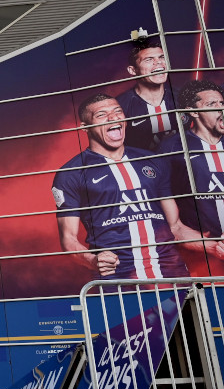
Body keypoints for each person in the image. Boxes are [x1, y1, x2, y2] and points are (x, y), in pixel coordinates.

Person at [52, 93, 200, 279]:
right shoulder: (71, 173)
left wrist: (211, 244)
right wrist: (92, 260)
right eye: (101, 115)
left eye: (117, 112)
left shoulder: (152, 160)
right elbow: (69, 240)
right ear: (86, 127)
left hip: (171, 273)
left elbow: (176, 227)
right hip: (119, 279)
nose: (113, 117)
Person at [157, 79, 224, 260]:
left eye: (222, 103)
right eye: (212, 104)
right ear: (193, 111)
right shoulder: (172, 147)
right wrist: (207, 244)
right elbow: (163, 202)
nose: (221, 108)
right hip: (201, 251)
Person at [116, 36, 177, 151]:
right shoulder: (120, 106)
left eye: (162, 57)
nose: (158, 62)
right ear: (133, 70)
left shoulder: (181, 97)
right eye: (149, 60)